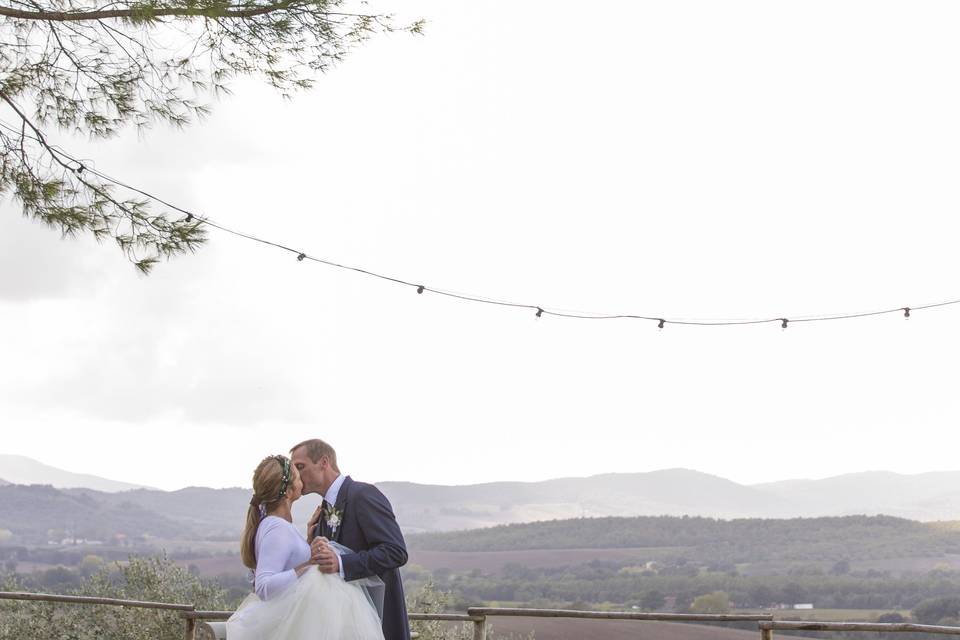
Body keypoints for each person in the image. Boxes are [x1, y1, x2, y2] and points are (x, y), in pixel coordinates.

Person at [226, 455, 385, 640]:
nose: (302, 478)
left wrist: (309, 541)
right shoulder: (277, 527)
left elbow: (287, 565)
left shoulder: (279, 525)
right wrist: (308, 564)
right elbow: (264, 586)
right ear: (287, 491)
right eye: (296, 475)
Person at [291, 439, 411, 640]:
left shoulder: (362, 494)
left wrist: (340, 563)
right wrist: (311, 542)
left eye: (300, 467)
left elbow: (395, 551)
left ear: (324, 462)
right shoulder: (323, 512)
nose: (295, 475)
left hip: (378, 621)